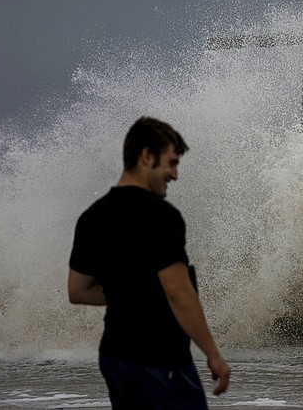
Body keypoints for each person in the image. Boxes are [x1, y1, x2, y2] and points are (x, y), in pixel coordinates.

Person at [68, 116, 231, 409]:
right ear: (146, 156)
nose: (175, 174)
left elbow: (78, 291)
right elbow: (178, 292)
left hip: (114, 357)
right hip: (160, 359)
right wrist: (213, 354)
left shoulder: (92, 216)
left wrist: (128, 293)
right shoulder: (161, 216)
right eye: (171, 162)